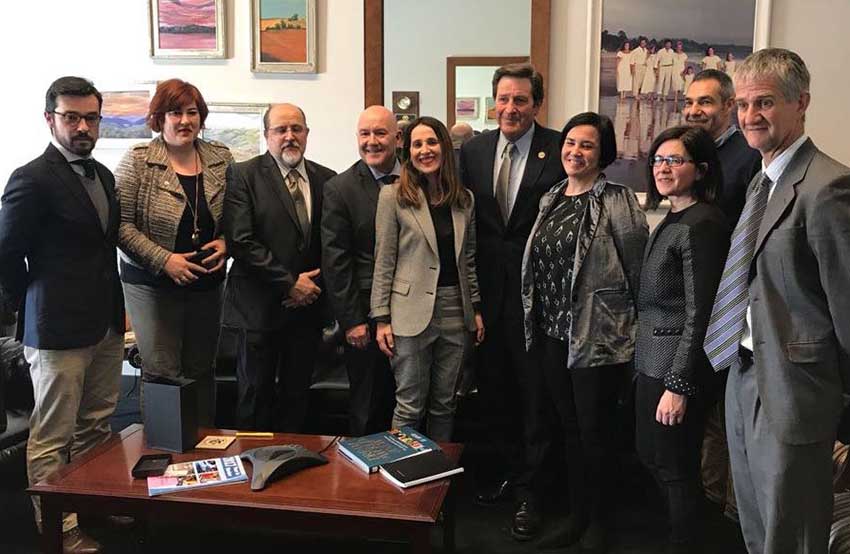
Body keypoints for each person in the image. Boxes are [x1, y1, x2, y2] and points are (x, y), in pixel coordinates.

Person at [704, 48, 850, 554]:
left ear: (801, 102)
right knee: (753, 523)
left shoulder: (829, 187)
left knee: (791, 534)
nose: (749, 116)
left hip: (795, 390)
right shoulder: (761, 181)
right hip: (742, 373)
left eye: (764, 102)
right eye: (742, 104)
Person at [0, 76, 125, 554]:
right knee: (52, 433)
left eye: (91, 117)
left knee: (97, 423)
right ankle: (60, 525)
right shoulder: (30, 178)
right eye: (71, 117)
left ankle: (95, 501)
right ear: (50, 118)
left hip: (106, 322)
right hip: (55, 329)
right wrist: (32, 306)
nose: (82, 127)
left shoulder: (104, 175)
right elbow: (8, 256)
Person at [523, 111, 648, 552]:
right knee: (569, 430)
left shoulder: (618, 199)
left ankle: (600, 524)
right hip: (553, 335)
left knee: (597, 434)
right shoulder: (552, 197)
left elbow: (638, 273)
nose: (575, 152)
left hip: (600, 337)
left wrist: (637, 340)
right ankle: (576, 518)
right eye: (571, 143)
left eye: (587, 146)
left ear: (603, 153)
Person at [457, 62, 564, 539]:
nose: (511, 108)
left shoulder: (560, 148)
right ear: (493, 101)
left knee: (534, 398)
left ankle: (532, 491)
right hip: (486, 301)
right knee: (495, 394)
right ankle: (510, 473)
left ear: (536, 105)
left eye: (521, 100)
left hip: (538, 300)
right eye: (503, 99)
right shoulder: (473, 150)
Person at [116, 79, 233, 425]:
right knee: (163, 370)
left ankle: (205, 449)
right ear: (158, 118)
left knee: (201, 369)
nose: (184, 121)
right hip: (151, 285)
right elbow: (119, 226)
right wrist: (163, 260)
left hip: (207, 284)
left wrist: (227, 243)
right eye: (175, 112)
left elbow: (239, 215)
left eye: (192, 112)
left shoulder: (221, 158)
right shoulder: (138, 160)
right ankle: (162, 451)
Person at [636, 126, 730, 553]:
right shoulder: (675, 216)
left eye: (675, 160)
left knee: (674, 467)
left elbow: (701, 312)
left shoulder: (704, 223)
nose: (663, 168)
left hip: (674, 368)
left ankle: (686, 543)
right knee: (652, 457)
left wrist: (679, 385)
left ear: (701, 169)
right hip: (650, 362)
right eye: (658, 159)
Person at [221, 103, 336, 432]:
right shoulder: (243, 175)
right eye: (281, 130)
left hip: (306, 311)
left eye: (296, 129)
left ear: (307, 134)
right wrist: (289, 284)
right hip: (259, 309)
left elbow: (332, 245)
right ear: (267, 135)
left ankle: (291, 470)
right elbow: (242, 241)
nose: (289, 137)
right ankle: (250, 474)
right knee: (254, 396)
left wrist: (310, 289)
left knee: (296, 397)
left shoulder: (326, 179)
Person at [370, 116, 484, 442]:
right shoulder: (393, 196)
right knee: (409, 406)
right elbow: (384, 260)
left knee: (445, 405)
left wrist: (474, 308)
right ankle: (402, 477)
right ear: (408, 150)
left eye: (431, 142)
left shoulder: (465, 200)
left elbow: (469, 261)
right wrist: (381, 318)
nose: (425, 150)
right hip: (408, 313)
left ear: (444, 147)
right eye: (417, 144)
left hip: (454, 312)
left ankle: (436, 477)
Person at [321, 106, 400, 436]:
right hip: (364, 316)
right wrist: (351, 320)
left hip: (415, 312)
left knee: (408, 400)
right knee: (367, 404)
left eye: (380, 133)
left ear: (397, 138)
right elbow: (336, 260)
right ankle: (365, 482)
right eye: (365, 134)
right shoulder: (340, 189)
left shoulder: (419, 178)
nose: (372, 142)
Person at [684, 69, 761, 226]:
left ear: (729, 105)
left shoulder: (752, 155)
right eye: (689, 103)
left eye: (705, 102)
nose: (693, 111)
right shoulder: (684, 152)